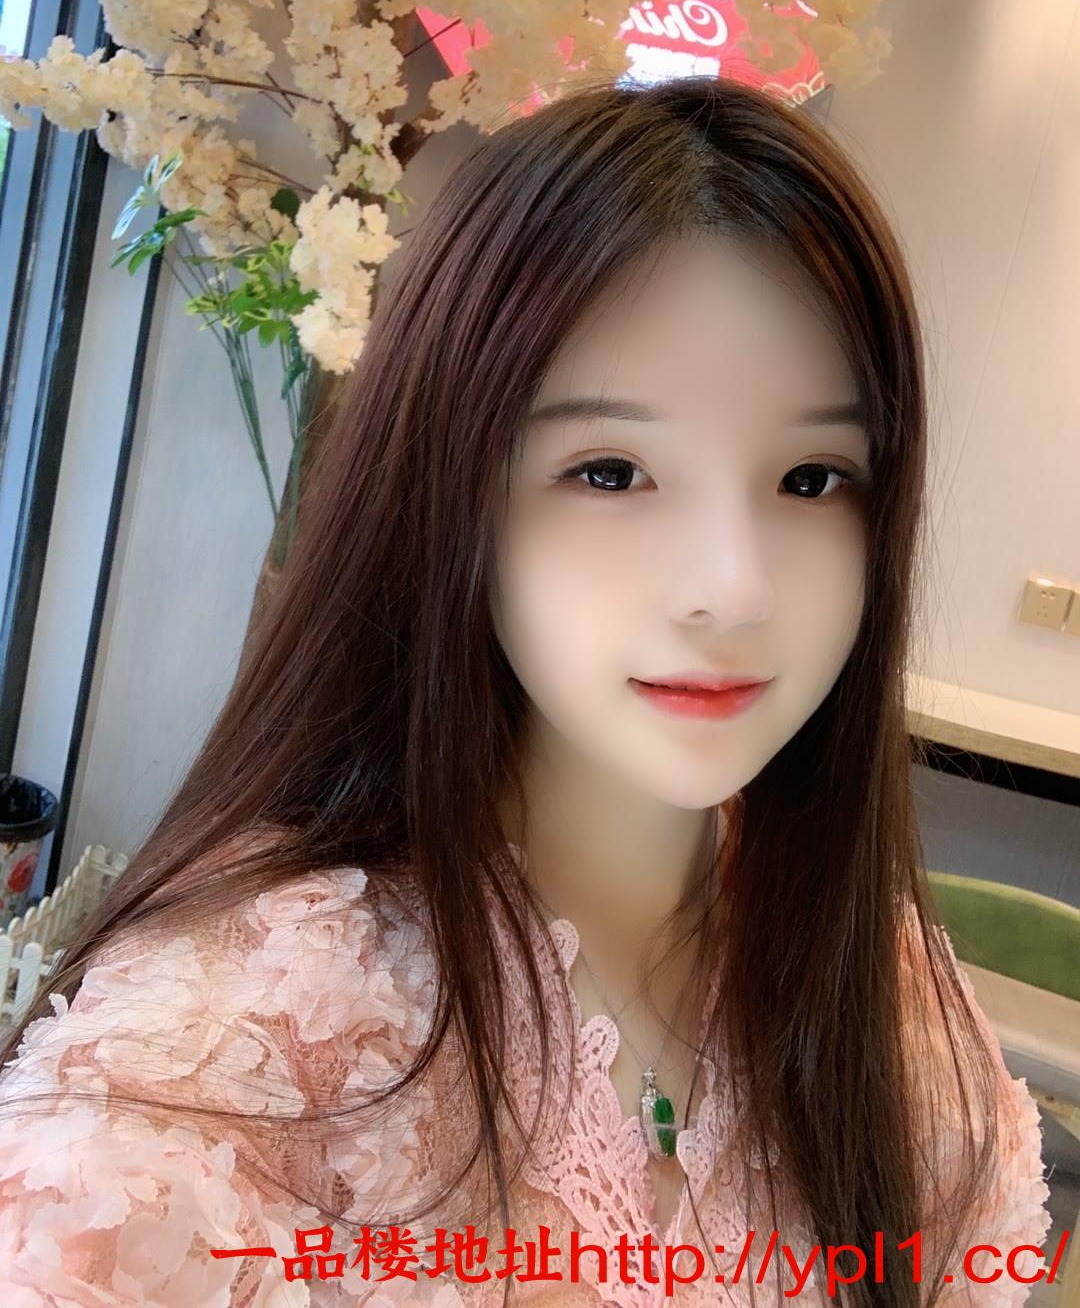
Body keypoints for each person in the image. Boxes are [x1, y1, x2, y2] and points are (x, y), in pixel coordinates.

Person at [0, 75, 1053, 1308]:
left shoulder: (908, 1028)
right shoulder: (233, 1070)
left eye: (813, 479)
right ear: (453, 494)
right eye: (609, 470)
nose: (732, 588)